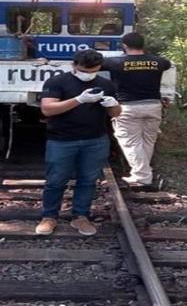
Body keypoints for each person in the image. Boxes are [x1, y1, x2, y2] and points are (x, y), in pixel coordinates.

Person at [36, 49, 122, 236]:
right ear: (74, 65)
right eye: (85, 70)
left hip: (96, 140)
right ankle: (49, 216)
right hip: (62, 140)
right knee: (56, 179)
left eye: (93, 71)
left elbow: (115, 113)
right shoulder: (57, 82)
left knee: (88, 180)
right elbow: (48, 110)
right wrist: (78, 99)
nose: (88, 75)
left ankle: (80, 217)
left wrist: (112, 105)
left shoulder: (105, 84)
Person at [102, 32, 172, 185]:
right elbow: (167, 64)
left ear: (124, 46)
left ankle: (142, 176)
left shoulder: (115, 62)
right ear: (143, 45)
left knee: (130, 141)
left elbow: (95, 62)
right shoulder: (159, 62)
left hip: (128, 107)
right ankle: (141, 173)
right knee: (148, 140)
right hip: (153, 106)